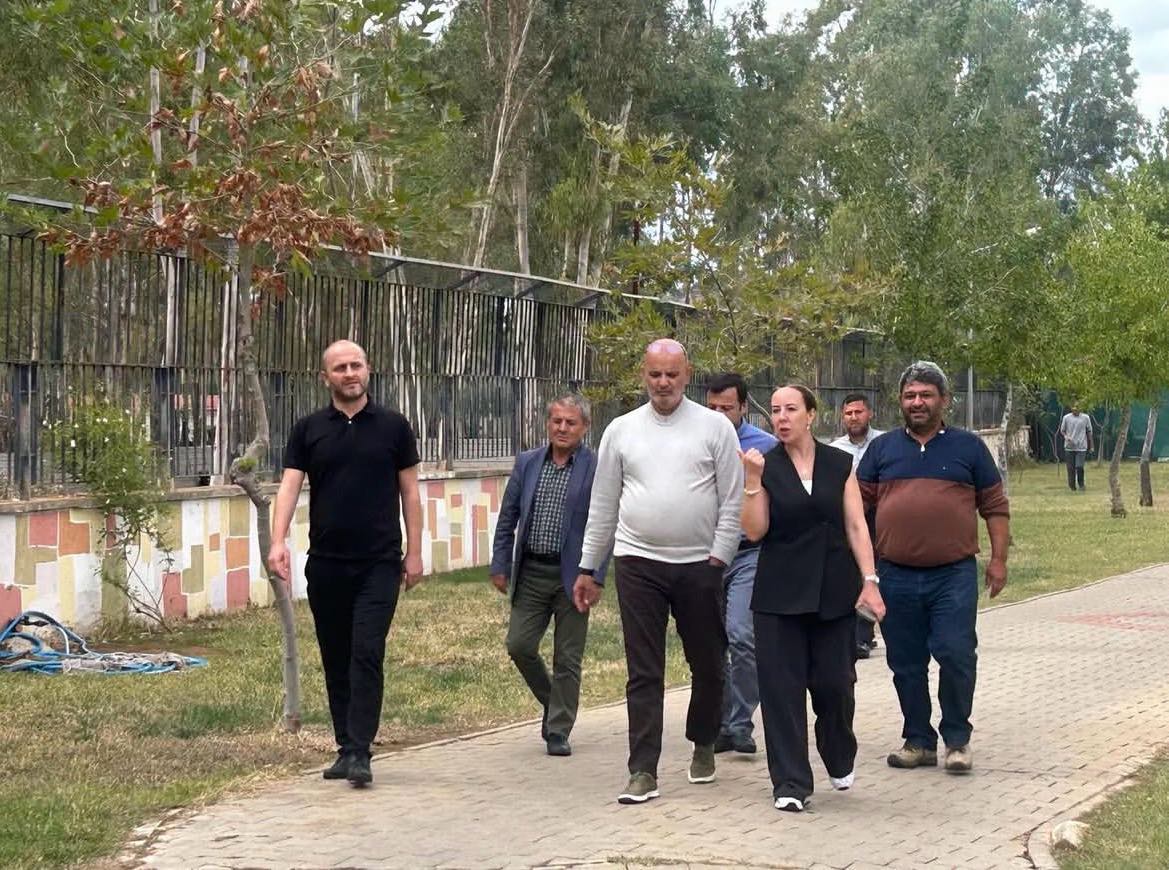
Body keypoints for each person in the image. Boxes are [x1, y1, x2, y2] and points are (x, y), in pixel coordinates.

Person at [573, 339, 743, 805]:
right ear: (643, 375)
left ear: (687, 374)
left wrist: (719, 556)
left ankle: (703, 740)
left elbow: (732, 499)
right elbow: (603, 505)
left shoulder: (715, 428)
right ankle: (642, 770)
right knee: (643, 670)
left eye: (671, 374)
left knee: (708, 663)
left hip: (700, 564)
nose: (663, 383)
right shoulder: (621, 431)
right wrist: (590, 566)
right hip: (637, 561)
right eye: (655, 374)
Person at [268, 340, 423, 788]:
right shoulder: (308, 429)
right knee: (335, 655)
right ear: (325, 378)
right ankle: (344, 746)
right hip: (327, 564)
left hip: (379, 562)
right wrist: (278, 542)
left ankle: (360, 750)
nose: (349, 373)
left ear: (368, 370)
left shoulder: (394, 426)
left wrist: (414, 552)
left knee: (366, 651)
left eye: (356, 365)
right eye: (340, 368)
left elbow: (410, 492)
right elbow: (289, 487)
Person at [857, 361, 1010, 775]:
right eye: (910, 395)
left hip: (953, 575)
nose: (917, 402)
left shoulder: (969, 448)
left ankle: (957, 740)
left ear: (944, 400)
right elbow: (857, 511)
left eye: (926, 395)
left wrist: (998, 560)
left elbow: (995, 507)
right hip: (895, 574)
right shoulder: (882, 450)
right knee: (905, 662)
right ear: (900, 401)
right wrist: (864, 571)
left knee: (956, 653)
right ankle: (918, 741)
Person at [741, 384, 886, 813]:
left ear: (811, 415)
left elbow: (856, 526)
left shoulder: (839, 464)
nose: (781, 418)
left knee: (835, 684)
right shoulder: (764, 465)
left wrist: (870, 580)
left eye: (791, 409)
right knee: (781, 692)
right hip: (779, 595)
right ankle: (790, 782)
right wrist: (751, 481)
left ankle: (839, 754)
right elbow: (754, 531)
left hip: (832, 591)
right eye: (775, 411)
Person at [490, 393, 610, 757]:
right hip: (531, 572)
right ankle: (553, 702)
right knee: (519, 645)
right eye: (556, 421)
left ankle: (558, 730)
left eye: (570, 422)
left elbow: (605, 525)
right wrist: (500, 564)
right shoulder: (527, 462)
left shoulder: (596, 468)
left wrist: (596, 575)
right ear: (548, 423)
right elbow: (508, 516)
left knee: (567, 658)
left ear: (584, 427)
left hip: (575, 577)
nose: (562, 428)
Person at [705, 372, 777, 755]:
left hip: (749, 553)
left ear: (744, 407)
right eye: (712, 408)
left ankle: (740, 722)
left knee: (742, 637)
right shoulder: (694, 440)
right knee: (710, 642)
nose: (718, 415)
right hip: (705, 554)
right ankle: (718, 722)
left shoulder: (766, 447)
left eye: (727, 408)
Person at [829, 393, 885, 659]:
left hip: (881, 515)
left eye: (858, 412)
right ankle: (859, 636)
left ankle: (866, 632)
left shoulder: (884, 443)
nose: (854, 417)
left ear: (870, 413)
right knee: (855, 572)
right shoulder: (835, 449)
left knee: (876, 572)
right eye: (848, 413)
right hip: (851, 517)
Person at [1058, 405, 1093, 491]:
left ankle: (1081, 484)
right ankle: (1072, 486)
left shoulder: (1085, 418)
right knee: (1070, 468)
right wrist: (1066, 437)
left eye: (1077, 408)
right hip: (1069, 447)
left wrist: (1091, 445)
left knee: (1079, 466)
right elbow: (1062, 431)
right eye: (1073, 408)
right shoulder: (1066, 418)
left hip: (1081, 447)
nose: (1075, 410)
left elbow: (1089, 431)